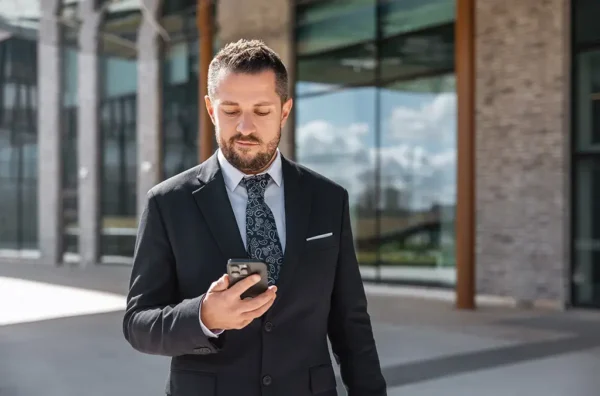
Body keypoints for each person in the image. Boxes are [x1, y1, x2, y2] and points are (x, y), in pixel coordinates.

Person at [123, 38, 387, 396]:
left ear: (285, 110)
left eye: (261, 111)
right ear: (211, 110)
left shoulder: (328, 199)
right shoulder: (168, 203)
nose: (245, 127)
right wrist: (204, 316)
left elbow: (351, 323)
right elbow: (138, 325)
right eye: (231, 110)